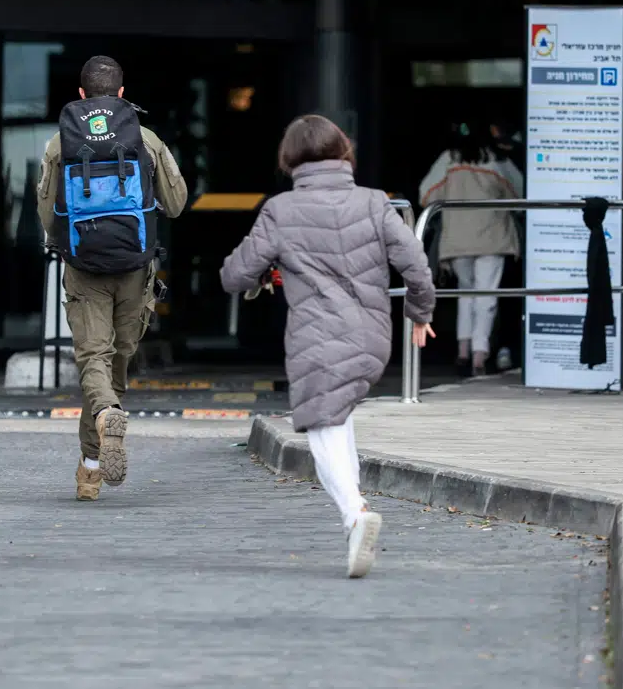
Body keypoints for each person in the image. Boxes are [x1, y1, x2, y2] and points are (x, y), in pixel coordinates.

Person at [221, 114, 436, 578]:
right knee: (338, 417)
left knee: (323, 426)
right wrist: (420, 314)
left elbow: (234, 275)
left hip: (318, 337)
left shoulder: (280, 210)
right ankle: (357, 511)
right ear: (344, 151)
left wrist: (265, 266)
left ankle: (355, 516)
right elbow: (415, 265)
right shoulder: (375, 203)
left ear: (289, 159)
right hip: (372, 335)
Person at [37, 56, 188, 502]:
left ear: (81, 95)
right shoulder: (146, 139)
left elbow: (47, 215)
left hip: (84, 267)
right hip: (136, 268)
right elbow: (176, 202)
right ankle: (90, 466)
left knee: (93, 358)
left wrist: (63, 236)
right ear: (122, 94)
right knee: (115, 363)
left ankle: (101, 429)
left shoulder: (58, 143)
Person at [417, 121, 524, 376]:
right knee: (486, 296)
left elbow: (425, 194)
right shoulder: (497, 161)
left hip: (458, 237)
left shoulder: (449, 159)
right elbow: (520, 195)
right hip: (493, 237)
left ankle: (463, 349)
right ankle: (479, 354)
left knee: (465, 293)